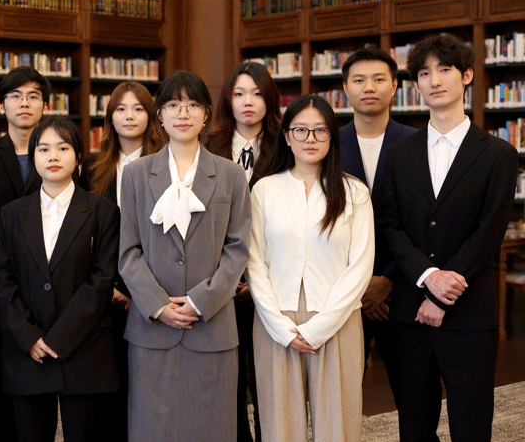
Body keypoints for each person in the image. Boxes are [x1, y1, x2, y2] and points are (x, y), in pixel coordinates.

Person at [378, 34, 518, 442]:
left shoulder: (498, 154)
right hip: (409, 313)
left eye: (445, 70)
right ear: (415, 85)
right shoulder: (400, 153)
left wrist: (442, 292)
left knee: (471, 422)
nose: (434, 80)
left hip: (469, 311)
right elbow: (389, 225)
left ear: (468, 75)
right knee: (414, 424)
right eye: (424, 73)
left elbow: (489, 231)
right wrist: (427, 278)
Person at [119, 70, 251, 441]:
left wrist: (200, 300)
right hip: (152, 327)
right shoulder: (136, 175)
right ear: (159, 115)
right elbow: (127, 252)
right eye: (173, 104)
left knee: (211, 425)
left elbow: (238, 248)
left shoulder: (229, 175)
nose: (183, 113)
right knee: (152, 426)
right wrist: (159, 305)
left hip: (212, 327)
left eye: (193, 104)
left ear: (207, 114)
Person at [245, 94, 374, 442]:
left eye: (320, 130)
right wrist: (280, 326)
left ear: (333, 136)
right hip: (276, 322)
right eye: (301, 130)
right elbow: (254, 263)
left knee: (338, 423)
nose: (310, 139)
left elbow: (360, 266)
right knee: (279, 424)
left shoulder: (354, 192)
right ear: (286, 136)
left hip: (337, 318)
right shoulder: (264, 191)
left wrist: (320, 326)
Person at [0, 116, 120, 442]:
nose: (53, 156)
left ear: (78, 156)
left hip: (84, 349)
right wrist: (29, 336)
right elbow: (1, 279)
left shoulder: (102, 211)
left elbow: (102, 280)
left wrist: (57, 339)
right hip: (27, 351)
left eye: (63, 148)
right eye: (44, 148)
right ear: (33, 156)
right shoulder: (11, 214)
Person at [78, 80, 163, 441]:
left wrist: (143, 292)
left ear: (151, 115)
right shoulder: (93, 166)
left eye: (138, 108)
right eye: (121, 109)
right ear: (109, 118)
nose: (129, 116)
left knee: (150, 385)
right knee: (109, 386)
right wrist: (108, 288)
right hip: (105, 291)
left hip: (155, 291)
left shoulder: (167, 163)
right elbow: (83, 233)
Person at [0, 65, 50, 441]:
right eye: (15, 96)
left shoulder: (57, 152)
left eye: (33, 95)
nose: (24, 103)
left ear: (44, 106)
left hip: (50, 283)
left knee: (42, 370)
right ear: (2, 106)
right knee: (1, 374)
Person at [205, 61, 281, 442]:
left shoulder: (286, 146)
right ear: (227, 101)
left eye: (256, 93)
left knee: (267, 379)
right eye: (238, 94)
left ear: (269, 99)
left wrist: (258, 277)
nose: (247, 102)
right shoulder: (209, 147)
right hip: (220, 284)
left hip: (270, 282)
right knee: (228, 379)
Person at [339, 47, 416, 410]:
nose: (369, 87)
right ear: (345, 89)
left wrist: (385, 280)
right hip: (340, 292)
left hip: (399, 288)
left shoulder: (418, 144)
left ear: (395, 86)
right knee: (339, 395)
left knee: (412, 393)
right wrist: (359, 286)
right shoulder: (326, 144)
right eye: (359, 80)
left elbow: (421, 222)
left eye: (379, 78)